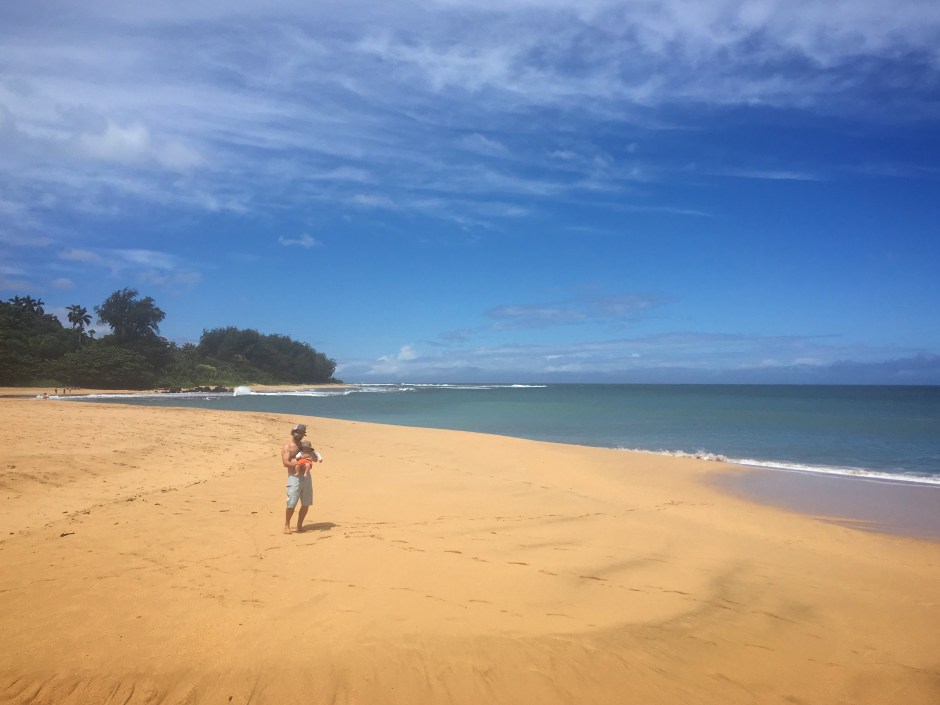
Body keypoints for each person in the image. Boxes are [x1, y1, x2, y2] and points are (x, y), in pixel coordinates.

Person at [282, 423, 315, 534]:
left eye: (302, 433)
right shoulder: (288, 447)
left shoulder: (304, 446)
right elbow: (285, 463)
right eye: (298, 432)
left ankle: (299, 525)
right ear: (293, 432)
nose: (299, 434)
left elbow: (312, 457)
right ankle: (286, 525)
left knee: (306, 503)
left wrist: (310, 459)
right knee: (291, 502)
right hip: (294, 477)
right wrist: (298, 464)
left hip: (306, 476)